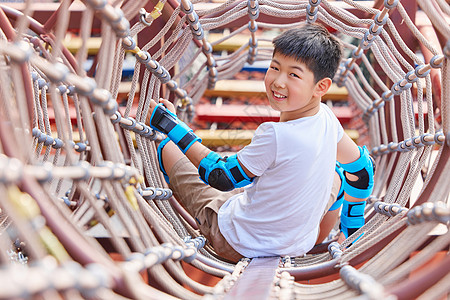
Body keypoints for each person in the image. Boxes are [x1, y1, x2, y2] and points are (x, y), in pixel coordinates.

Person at [147, 23, 374, 263]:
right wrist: (350, 231)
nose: (278, 81)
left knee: (164, 145)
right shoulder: (327, 118)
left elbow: (220, 176)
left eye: (293, 75)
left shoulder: (275, 134)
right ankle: (323, 236)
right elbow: (361, 172)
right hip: (300, 242)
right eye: (275, 68)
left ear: (321, 87)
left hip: (239, 243)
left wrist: (170, 124)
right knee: (338, 175)